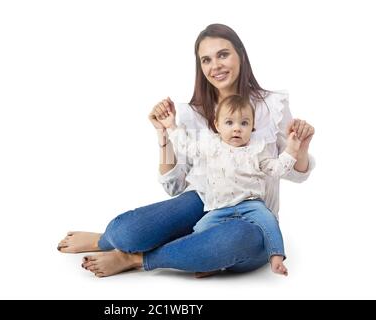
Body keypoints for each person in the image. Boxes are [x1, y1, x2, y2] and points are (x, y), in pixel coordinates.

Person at [57, 23, 315, 278]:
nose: (215, 66)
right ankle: (108, 241)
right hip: (204, 201)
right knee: (128, 232)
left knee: (232, 241)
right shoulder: (191, 114)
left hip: (251, 214)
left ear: (241, 55)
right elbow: (175, 186)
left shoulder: (272, 105)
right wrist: (163, 133)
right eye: (206, 60)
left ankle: (137, 258)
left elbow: (293, 172)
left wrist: (299, 147)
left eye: (223, 54)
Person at [165, 94, 302, 276]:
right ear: (217, 125)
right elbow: (186, 146)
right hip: (220, 207)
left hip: (252, 204)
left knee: (269, 221)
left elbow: (277, 169)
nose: (237, 129)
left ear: (252, 127)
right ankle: (208, 262)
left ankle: (276, 257)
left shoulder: (257, 149)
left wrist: (292, 149)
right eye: (229, 123)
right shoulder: (211, 145)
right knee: (200, 230)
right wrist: (171, 126)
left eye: (244, 123)